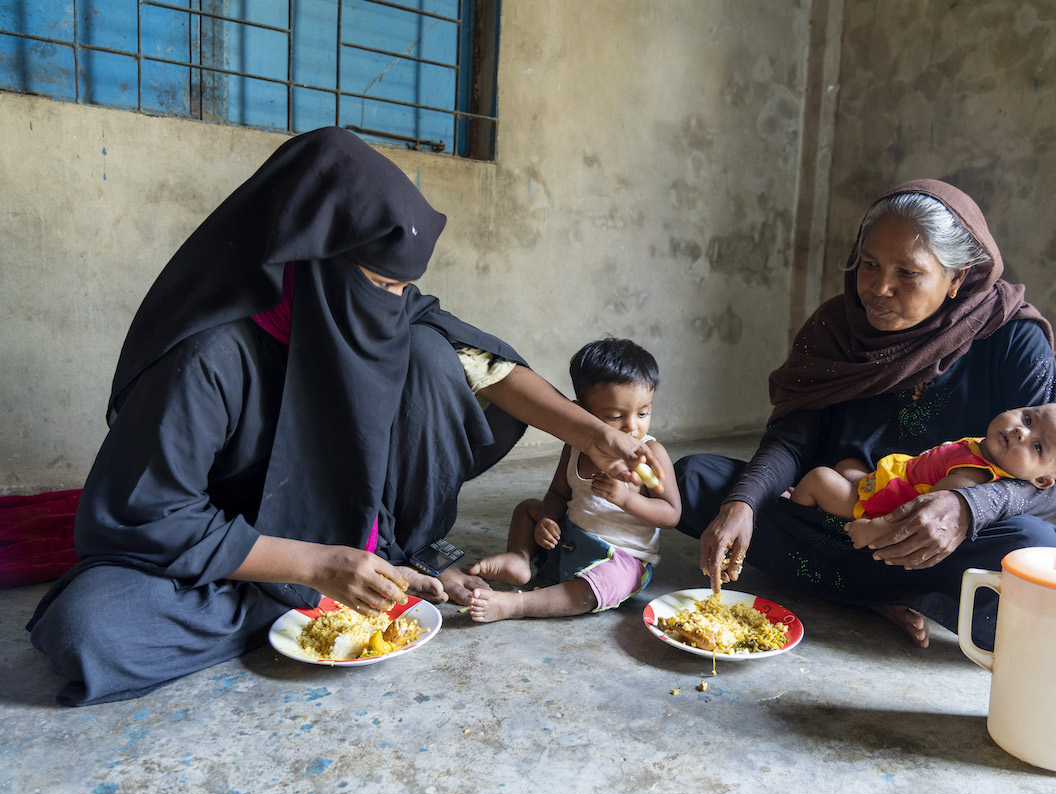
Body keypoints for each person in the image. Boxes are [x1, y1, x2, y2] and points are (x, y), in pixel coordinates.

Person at [25, 128, 666, 706]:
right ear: (311, 258)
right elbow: (151, 512)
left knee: (431, 355)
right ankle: (329, 592)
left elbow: (486, 366)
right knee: (89, 629)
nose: (395, 302)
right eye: (381, 286)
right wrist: (312, 568)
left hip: (346, 524)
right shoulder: (210, 358)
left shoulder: (367, 305)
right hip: (240, 543)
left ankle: (384, 562)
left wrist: (593, 431)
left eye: (401, 288)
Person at [674, 179, 1056, 649]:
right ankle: (886, 593)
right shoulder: (835, 328)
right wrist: (741, 504)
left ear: (957, 277)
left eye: (908, 272)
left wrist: (967, 508)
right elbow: (792, 439)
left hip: (935, 540)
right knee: (695, 480)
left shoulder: (1011, 337)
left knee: (1035, 549)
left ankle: (866, 585)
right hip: (837, 514)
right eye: (869, 264)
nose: (879, 289)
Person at [467, 338, 681, 622]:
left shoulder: (650, 455)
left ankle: (516, 606)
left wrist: (627, 499)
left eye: (643, 413)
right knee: (527, 508)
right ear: (580, 413)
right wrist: (547, 519)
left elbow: (671, 514)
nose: (632, 426)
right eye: (616, 416)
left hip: (621, 557)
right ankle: (519, 558)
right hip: (570, 540)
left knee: (605, 585)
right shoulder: (576, 446)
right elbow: (557, 493)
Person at [790, 403, 1056, 521]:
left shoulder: (971, 476)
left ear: (1042, 480)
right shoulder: (990, 448)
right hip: (887, 478)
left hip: (881, 505)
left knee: (819, 477)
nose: (1021, 431)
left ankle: (796, 517)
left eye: (1037, 446)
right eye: (1028, 418)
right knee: (845, 466)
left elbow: (922, 513)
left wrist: (878, 529)